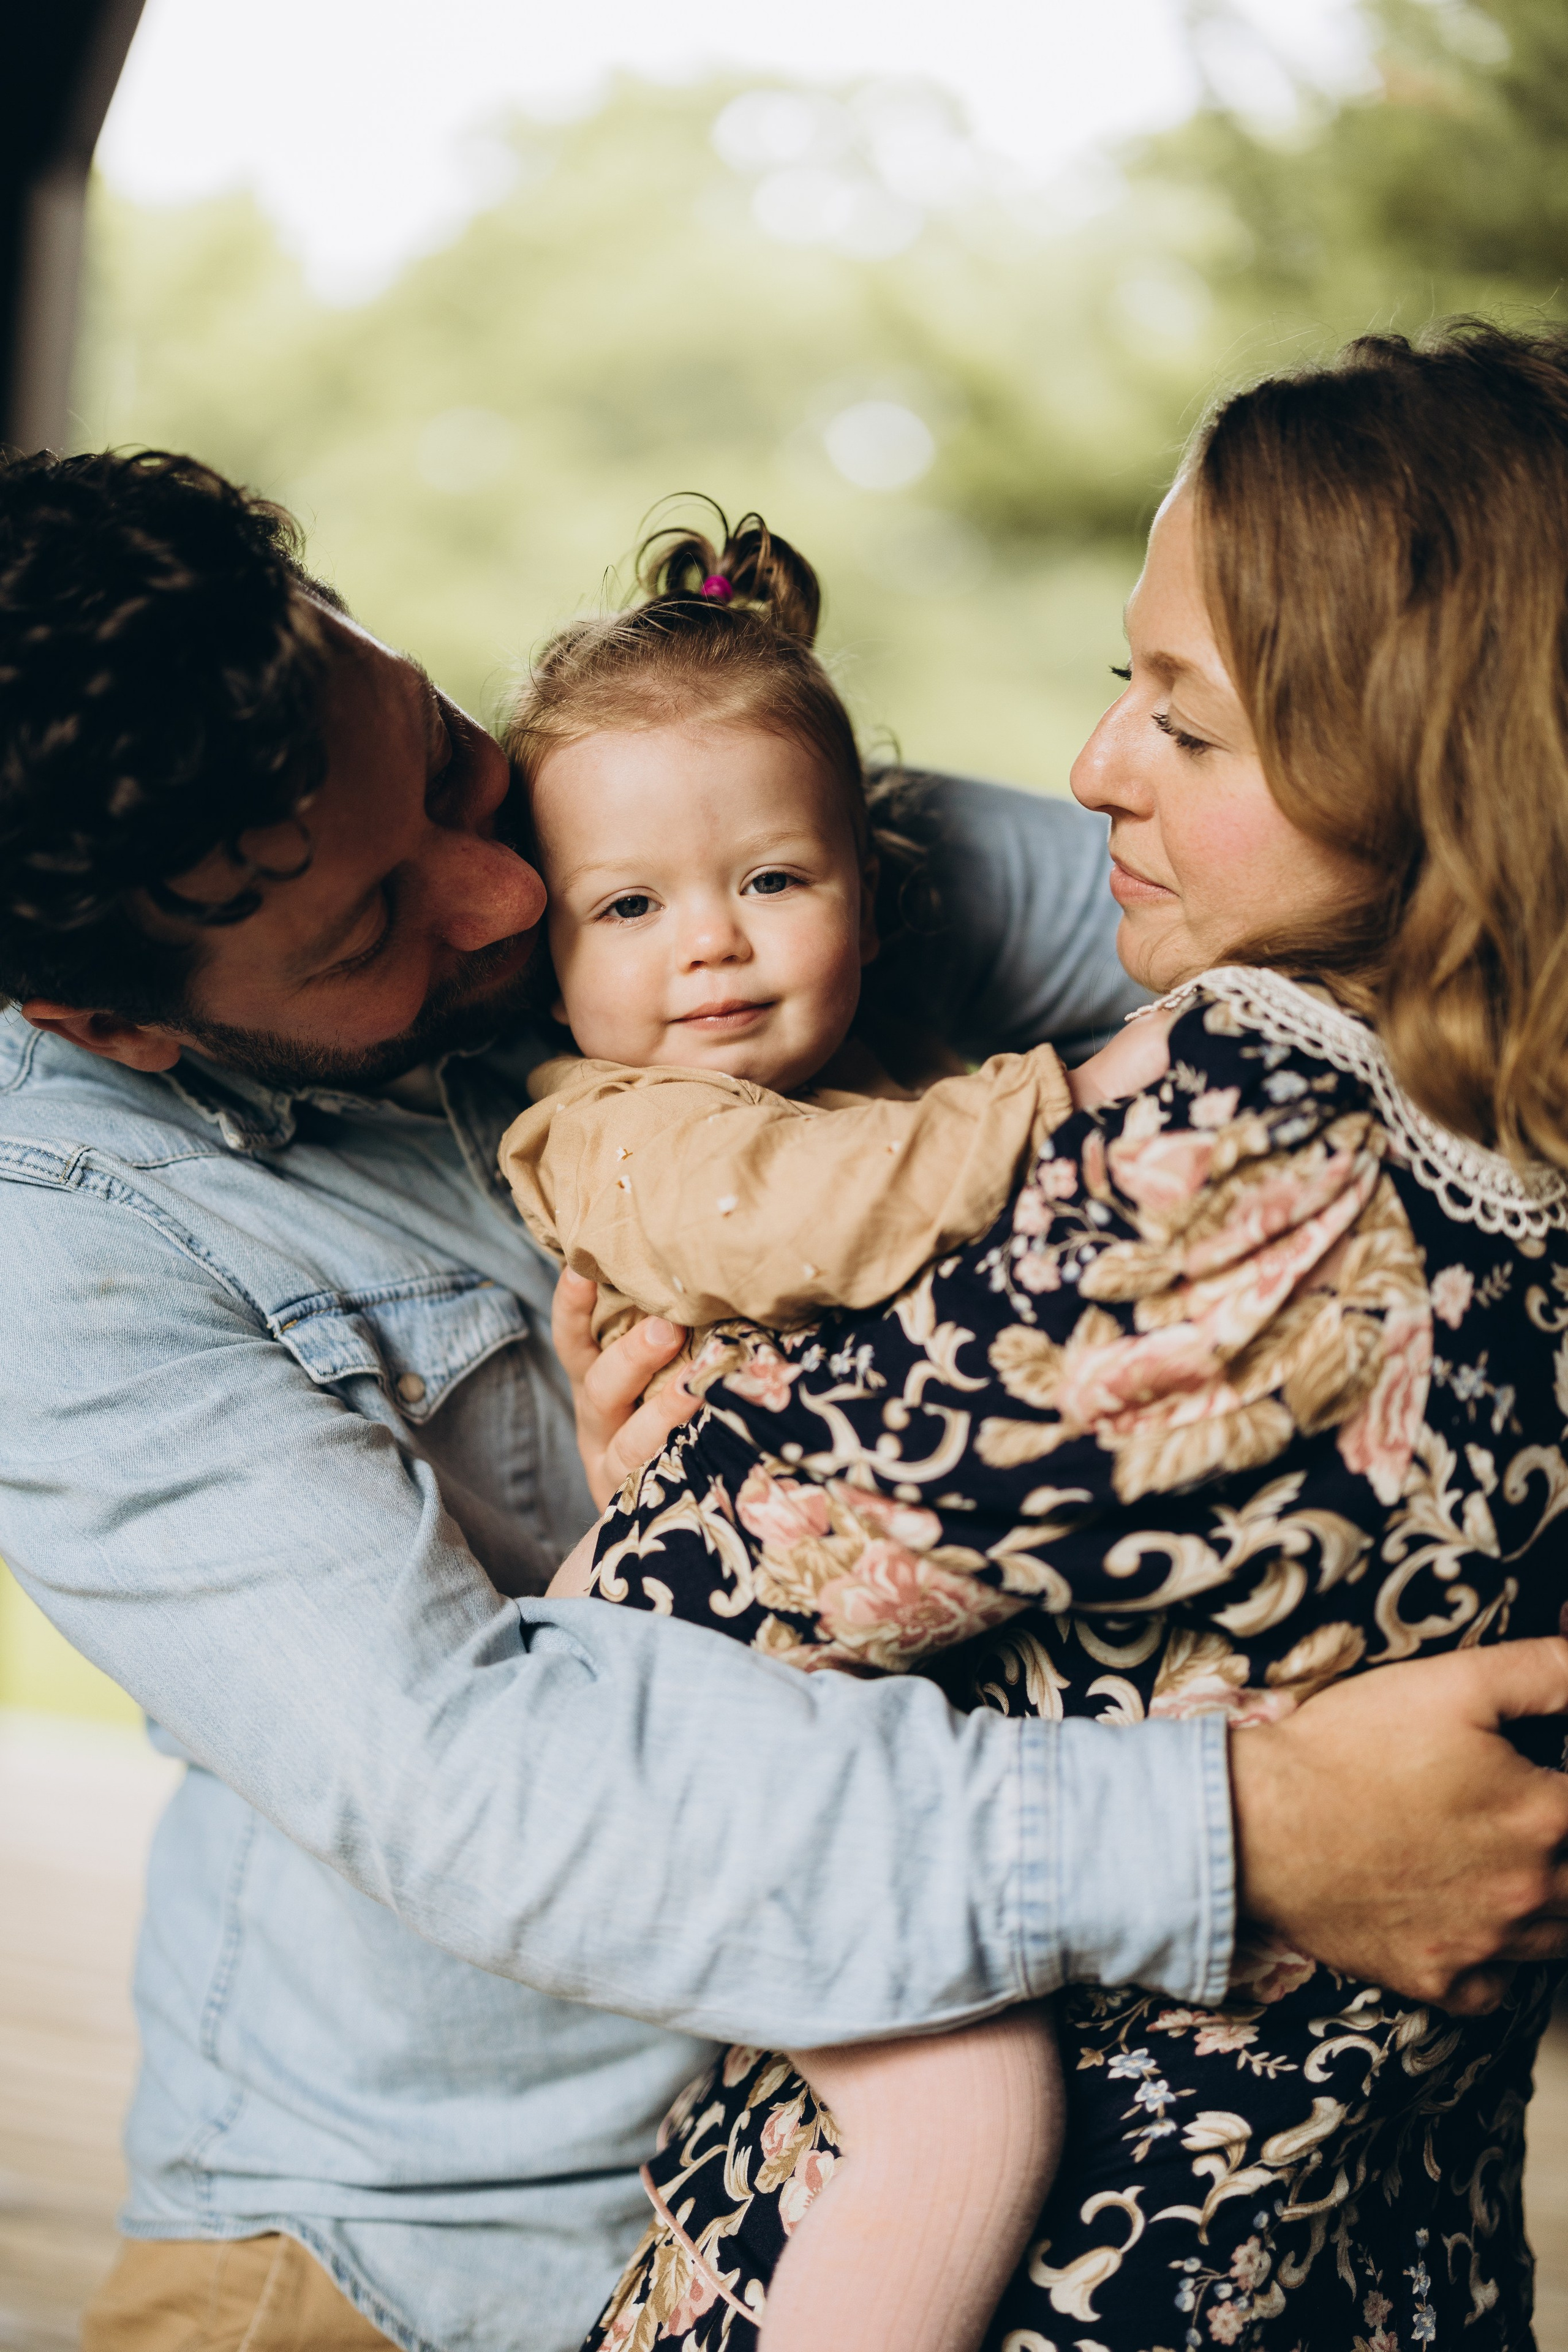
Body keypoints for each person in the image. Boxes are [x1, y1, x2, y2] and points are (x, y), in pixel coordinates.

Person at [0, 447, 1563, 2352]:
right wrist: (1257, 1830)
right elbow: (486, 1795)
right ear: (117, 1024)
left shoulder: (701, 830)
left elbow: (1344, 905)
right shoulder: (59, 1246)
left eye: (444, 764)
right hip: (409, 2245)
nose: (509, 899)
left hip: (843, 2181)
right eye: (369, 932)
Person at [558, 321, 1568, 2352]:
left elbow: (622, 1680)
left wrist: (649, 1479)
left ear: (1422, 755)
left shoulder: (1244, 1146)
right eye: (1127, 682)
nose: (1100, 760)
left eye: (1187, 724)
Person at [499, 507, 1175, 2352]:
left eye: (774, 881)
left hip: (845, 1711)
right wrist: (1104, 1098)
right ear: (540, 954)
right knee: (967, 2104)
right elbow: (827, 1219)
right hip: (679, 1708)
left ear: (869, 890)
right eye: (629, 907)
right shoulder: (619, 1134)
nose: (708, 947)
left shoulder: (895, 1081)